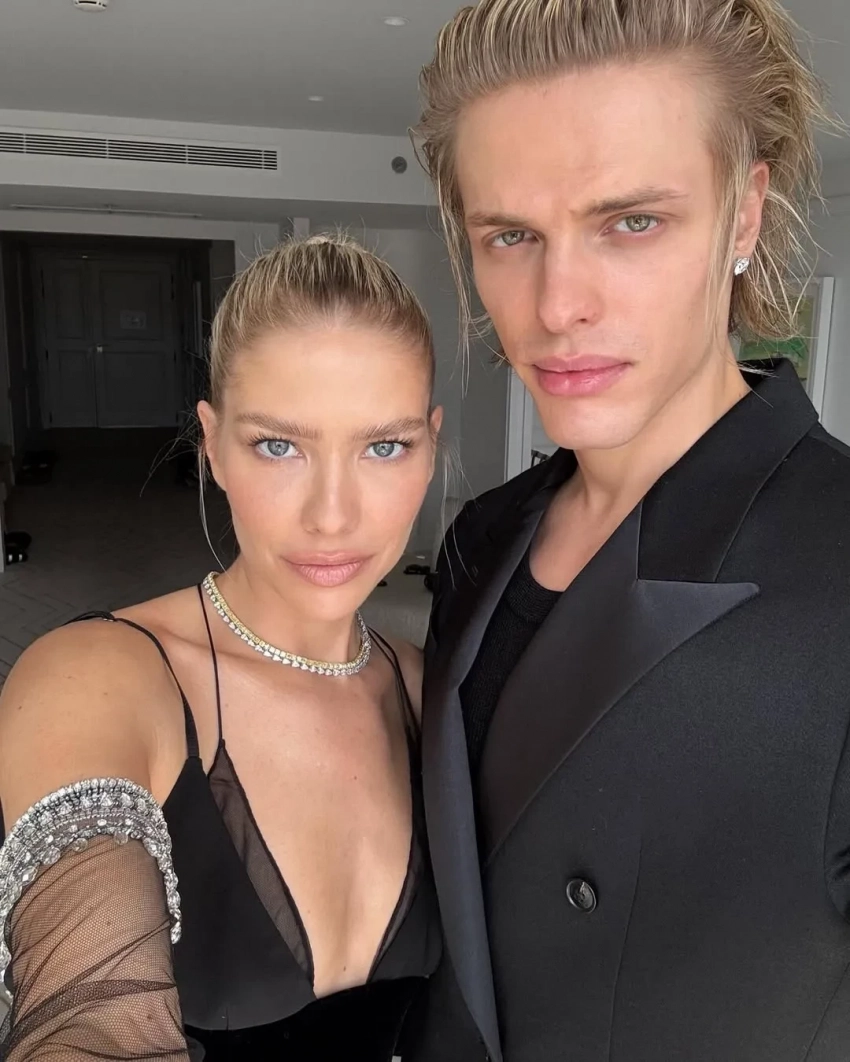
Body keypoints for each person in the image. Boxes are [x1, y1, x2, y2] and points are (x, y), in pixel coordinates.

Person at [409, 1, 850, 1060]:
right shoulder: (481, 537)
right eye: (510, 236)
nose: (557, 304)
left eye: (631, 223)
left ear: (743, 216)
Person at [0, 234, 443, 1061]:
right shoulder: (96, 675)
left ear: (430, 448)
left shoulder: (431, 692)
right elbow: (88, 1022)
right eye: (279, 445)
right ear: (212, 444)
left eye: (384, 446)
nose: (333, 515)